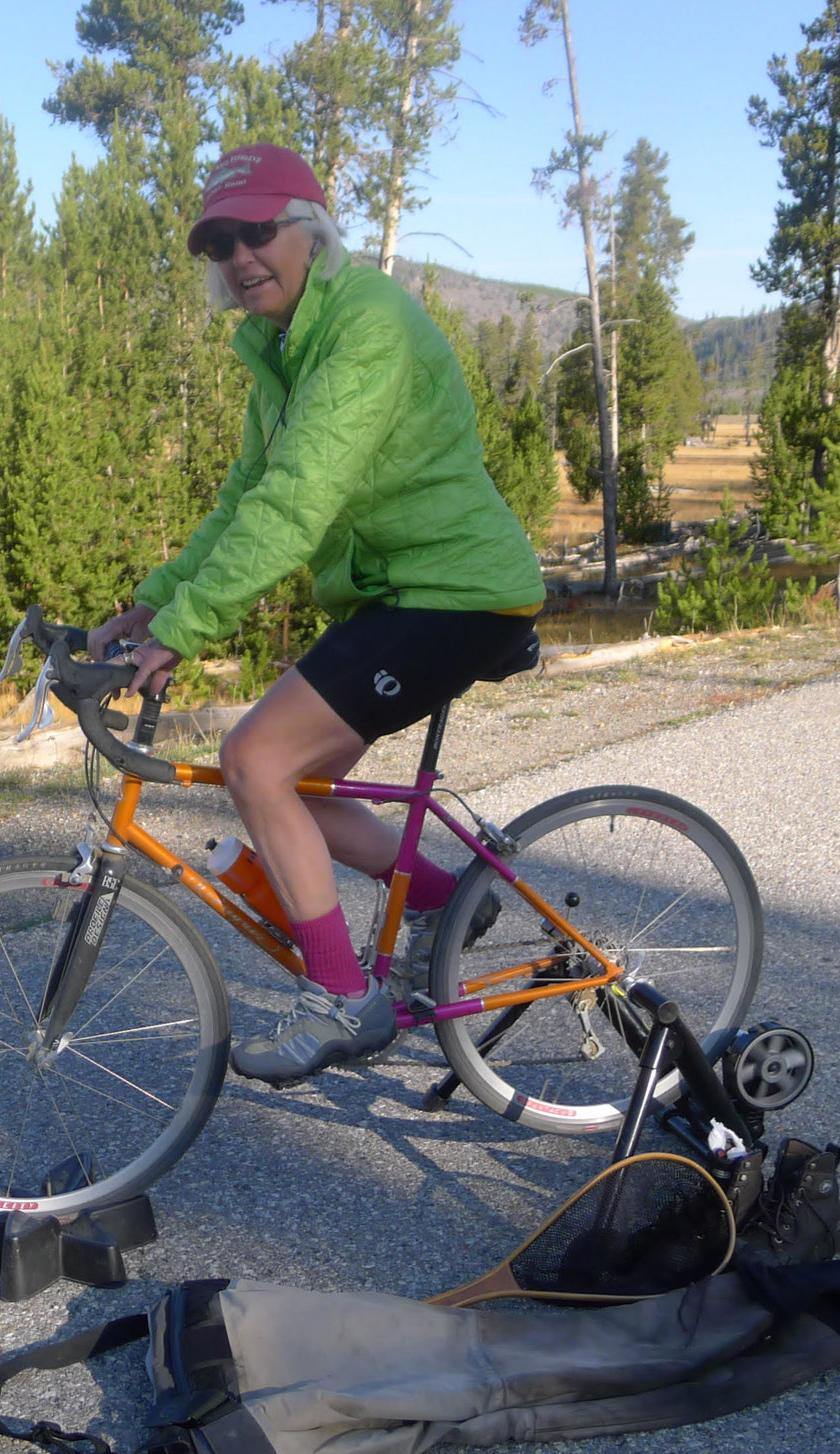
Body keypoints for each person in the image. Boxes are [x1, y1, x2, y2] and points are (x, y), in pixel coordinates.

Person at [86, 143, 546, 1086]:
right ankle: (452, 899)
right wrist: (155, 602)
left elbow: (297, 501)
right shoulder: (282, 348)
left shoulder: (364, 325)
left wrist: (188, 631)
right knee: (284, 789)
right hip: (398, 592)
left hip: (455, 592)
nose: (240, 256)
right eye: (221, 242)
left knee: (255, 760)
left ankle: (344, 997)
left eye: (258, 231)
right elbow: (244, 498)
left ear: (312, 231)